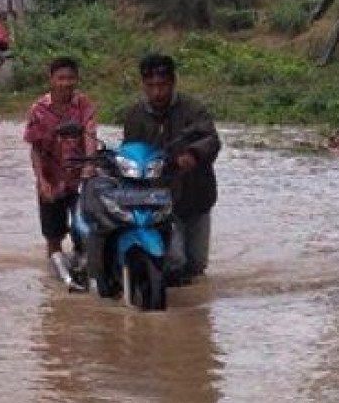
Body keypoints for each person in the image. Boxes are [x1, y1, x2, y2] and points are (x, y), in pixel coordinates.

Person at [121, 53, 221, 284]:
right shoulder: (135, 116)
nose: (157, 92)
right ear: (143, 85)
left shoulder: (193, 109)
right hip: (159, 199)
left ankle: (194, 313)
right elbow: (129, 152)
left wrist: (194, 154)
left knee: (196, 265)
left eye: (162, 85)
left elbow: (211, 139)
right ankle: (168, 308)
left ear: (173, 82)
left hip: (197, 195)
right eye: (151, 86)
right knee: (175, 260)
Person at [22, 56, 97, 264]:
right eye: (61, 78)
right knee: (53, 238)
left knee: (87, 231)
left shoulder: (83, 103)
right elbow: (35, 149)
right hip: (51, 180)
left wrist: (90, 165)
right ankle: (53, 284)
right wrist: (42, 181)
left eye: (71, 78)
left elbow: (90, 134)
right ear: (51, 79)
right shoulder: (38, 109)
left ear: (77, 79)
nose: (66, 83)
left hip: (80, 180)